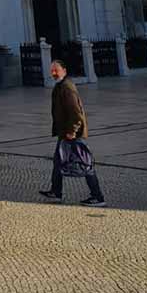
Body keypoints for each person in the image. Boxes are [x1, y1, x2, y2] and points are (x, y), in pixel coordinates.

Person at [39, 58, 106, 207]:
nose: (53, 73)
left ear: (64, 71)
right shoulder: (59, 86)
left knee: (86, 164)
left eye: (56, 70)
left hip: (72, 134)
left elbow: (76, 113)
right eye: (52, 70)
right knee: (58, 161)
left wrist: (72, 131)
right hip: (65, 132)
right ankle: (56, 192)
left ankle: (98, 197)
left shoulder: (67, 88)